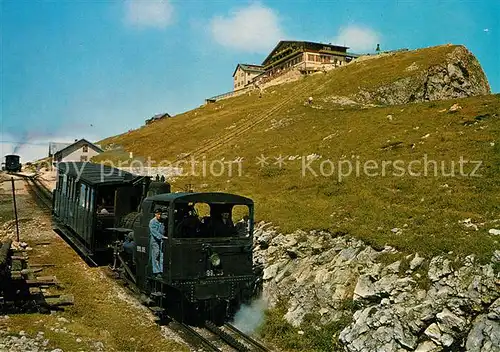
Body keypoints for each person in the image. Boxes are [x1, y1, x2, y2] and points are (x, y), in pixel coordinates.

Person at [149, 208, 165, 278]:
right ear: (155, 214)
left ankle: (161, 270)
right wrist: (162, 236)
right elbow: (154, 232)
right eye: (158, 214)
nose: (159, 216)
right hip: (155, 240)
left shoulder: (162, 221)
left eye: (160, 214)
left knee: (162, 255)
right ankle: (156, 271)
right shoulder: (152, 222)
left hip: (161, 240)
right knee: (156, 255)